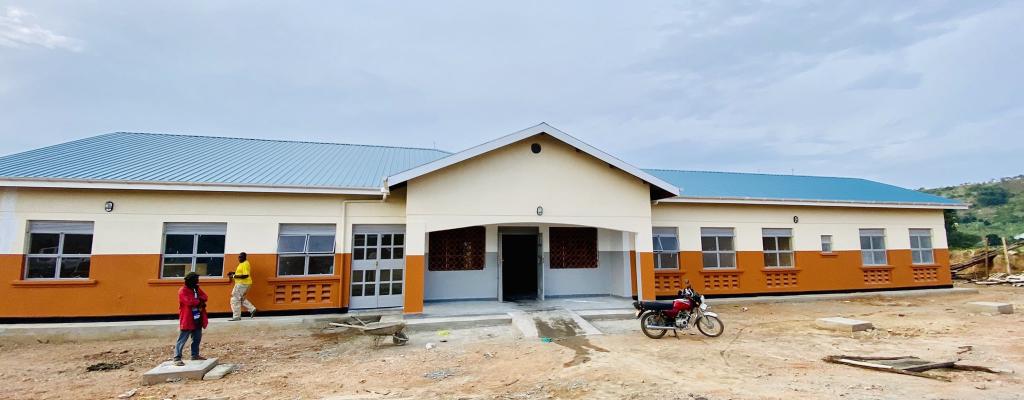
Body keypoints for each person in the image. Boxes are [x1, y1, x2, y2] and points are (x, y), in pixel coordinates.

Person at [173, 272, 207, 366]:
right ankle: (177, 357)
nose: (197, 282)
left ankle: (195, 355)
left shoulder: (196, 289)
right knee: (182, 338)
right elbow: (189, 302)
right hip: (188, 317)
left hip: (197, 316)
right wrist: (199, 301)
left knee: (197, 338)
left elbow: (205, 296)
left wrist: (199, 300)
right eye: (196, 280)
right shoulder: (183, 290)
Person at [227, 252, 256, 321]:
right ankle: (252, 309)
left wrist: (233, 276)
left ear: (245, 257)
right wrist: (233, 273)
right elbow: (241, 273)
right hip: (243, 284)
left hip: (242, 284)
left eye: (241, 257)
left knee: (234, 299)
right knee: (240, 298)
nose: (239, 258)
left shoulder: (245, 264)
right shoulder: (242, 263)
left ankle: (236, 316)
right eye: (239, 257)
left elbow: (245, 275)